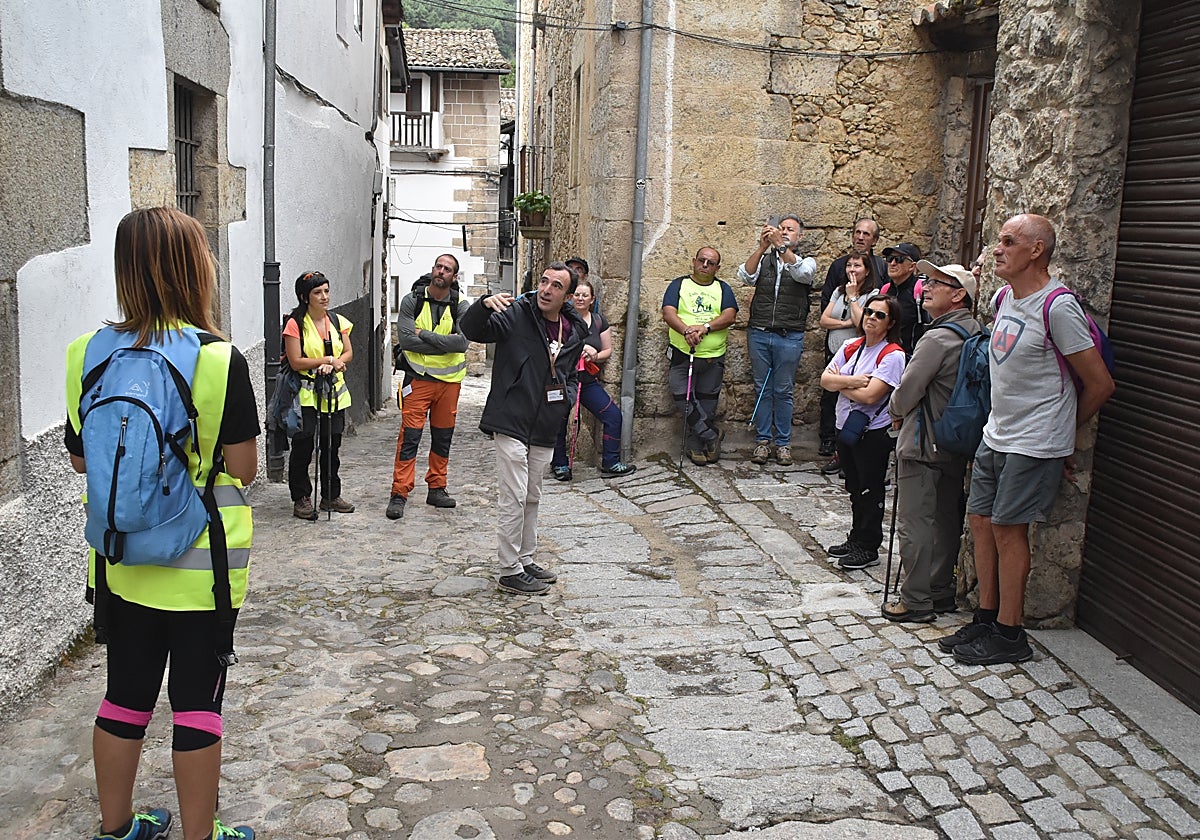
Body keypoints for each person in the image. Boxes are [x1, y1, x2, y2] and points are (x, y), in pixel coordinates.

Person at [64, 207, 258, 840]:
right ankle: (202, 835)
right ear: (195, 270)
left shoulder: (86, 353)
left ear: (126, 269)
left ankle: (118, 828)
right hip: (202, 572)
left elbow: (82, 459)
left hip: (122, 563)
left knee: (124, 695)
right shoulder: (218, 359)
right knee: (198, 704)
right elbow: (244, 468)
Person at [937, 214, 1114, 664]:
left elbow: (1100, 384)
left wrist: (1063, 434)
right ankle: (986, 617)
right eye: (999, 241)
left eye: (1008, 241)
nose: (997, 249)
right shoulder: (1003, 298)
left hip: (1034, 440)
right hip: (997, 433)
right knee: (980, 521)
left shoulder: (1057, 307)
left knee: (1007, 528)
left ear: (1036, 250)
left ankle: (1010, 634)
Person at [460, 262, 589, 595]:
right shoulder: (517, 313)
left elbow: (570, 373)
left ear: (568, 297)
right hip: (511, 418)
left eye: (556, 286)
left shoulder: (573, 330)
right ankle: (509, 569)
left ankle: (525, 558)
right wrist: (483, 305)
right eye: (544, 281)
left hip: (546, 423)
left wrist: (567, 399)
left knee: (532, 495)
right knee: (514, 495)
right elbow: (473, 329)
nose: (546, 289)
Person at [884, 260, 982, 623]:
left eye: (936, 283)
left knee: (915, 523)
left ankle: (915, 599)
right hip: (955, 440)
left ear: (958, 295)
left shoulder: (937, 338)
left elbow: (907, 390)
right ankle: (940, 589)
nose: (926, 287)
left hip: (923, 441)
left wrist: (895, 410)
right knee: (945, 519)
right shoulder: (975, 332)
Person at [820, 294, 906, 571]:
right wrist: (854, 381)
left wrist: (841, 384)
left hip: (872, 431)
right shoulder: (851, 346)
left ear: (890, 323)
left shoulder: (892, 355)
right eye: (869, 311)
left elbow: (871, 396)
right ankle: (856, 538)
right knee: (855, 486)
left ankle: (868, 546)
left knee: (870, 488)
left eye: (880, 315)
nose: (871, 317)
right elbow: (825, 380)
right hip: (846, 425)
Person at [387, 254, 470, 519]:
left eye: (447, 269)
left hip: (449, 383)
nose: (441, 271)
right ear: (433, 269)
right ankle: (399, 492)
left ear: (453, 277)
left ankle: (437, 487)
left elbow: (462, 343)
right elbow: (407, 341)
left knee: (443, 438)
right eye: (438, 266)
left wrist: (424, 335)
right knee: (409, 437)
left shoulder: (460, 305)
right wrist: (444, 343)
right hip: (418, 379)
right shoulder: (412, 300)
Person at [737, 215, 818, 466]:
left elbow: (804, 275)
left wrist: (781, 248)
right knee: (762, 388)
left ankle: (783, 443)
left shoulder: (806, 262)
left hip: (789, 335)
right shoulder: (765, 259)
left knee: (783, 390)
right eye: (781, 228)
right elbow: (745, 276)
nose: (783, 232)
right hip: (760, 332)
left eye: (789, 230)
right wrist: (762, 247)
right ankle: (762, 441)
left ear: (800, 236)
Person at [551, 274, 637, 480]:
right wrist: (577, 348)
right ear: (570, 297)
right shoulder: (560, 319)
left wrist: (595, 355)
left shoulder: (598, 321)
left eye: (585, 295)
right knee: (558, 421)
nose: (580, 298)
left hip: (587, 381)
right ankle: (560, 464)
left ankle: (610, 462)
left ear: (592, 299)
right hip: (563, 380)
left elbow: (607, 350)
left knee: (613, 416)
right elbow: (551, 346)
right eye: (577, 295)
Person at [283, 271, 354, 518]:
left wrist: (334, 363)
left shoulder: (337, 321)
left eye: (326, 291)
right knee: (303, 446)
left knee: (331, 446)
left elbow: (348, 353)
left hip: (334, 394)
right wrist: (327, 360)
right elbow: (295, 361)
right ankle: (301, 497)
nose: (324, 297)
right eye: (317, 292)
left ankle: (331, 496)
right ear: (305, 297)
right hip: (306, 395)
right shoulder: (295, 324)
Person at [661, 246, 739, 465]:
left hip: (713, 356)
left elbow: (730, 316)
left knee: (707, 403)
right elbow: (668, 313)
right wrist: (687, 331)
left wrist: (705, 328)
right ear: (694, 261)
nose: (705, 265)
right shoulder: (678, 285)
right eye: (702, 260)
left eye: (711, 263)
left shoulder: (723, 289)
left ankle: (695, 445)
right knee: (682, 397)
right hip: (682, 354)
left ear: (717, 268)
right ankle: (711, 435)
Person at [819, 219, 887, 459]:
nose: (860, 237)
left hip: (859, 353)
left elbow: (862, 324)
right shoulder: (838, 284)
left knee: (852, 395)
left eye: (866, 234)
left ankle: (851, 445)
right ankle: (830, 439)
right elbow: (824, 319)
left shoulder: (874, 289)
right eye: (857, 232)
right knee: (830, 396)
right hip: (835, 349)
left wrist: (853, 298)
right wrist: (845, 323)